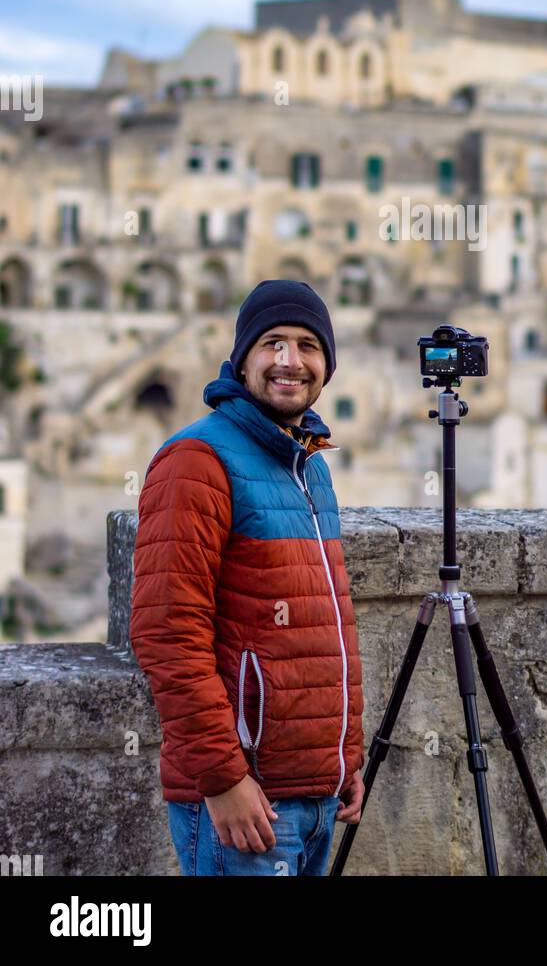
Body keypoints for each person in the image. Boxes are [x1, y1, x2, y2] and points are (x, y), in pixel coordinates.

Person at [130, 280, 365, 876]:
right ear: (243, 359)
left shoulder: (308, 463)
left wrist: (343, 760)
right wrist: (224, 778)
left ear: (327, 366)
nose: (291, 361)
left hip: (313, 795)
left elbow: (321, 626)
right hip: (245, 801)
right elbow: (166, 633)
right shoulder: (197, 461)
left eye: (309, 346)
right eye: (273, 343)